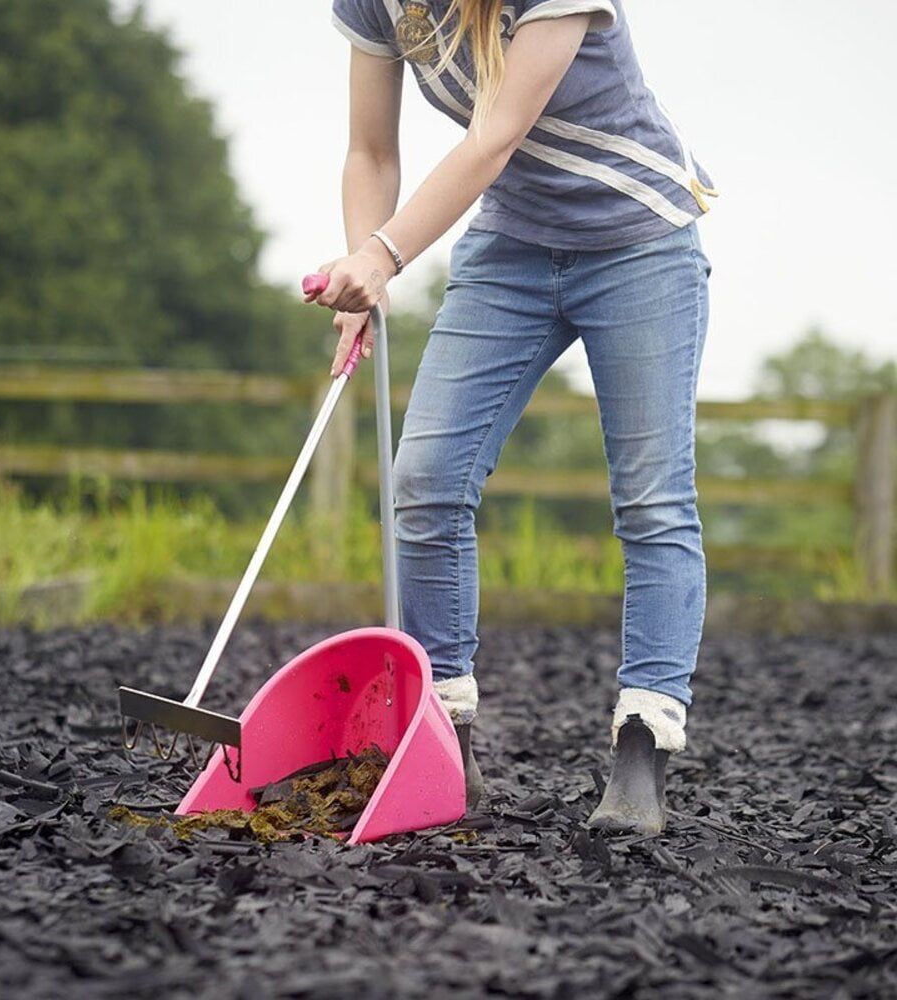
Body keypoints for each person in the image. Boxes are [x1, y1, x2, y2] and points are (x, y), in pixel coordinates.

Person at [305, 0, 715, 834]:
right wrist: (360, 266)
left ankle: (643, 747)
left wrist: (385, 256)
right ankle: (444, 737)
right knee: (423, 480)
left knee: (651, 501)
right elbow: (369, 151)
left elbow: (493, 137)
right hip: (513, 250)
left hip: (637, 242)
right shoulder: (374, 4)